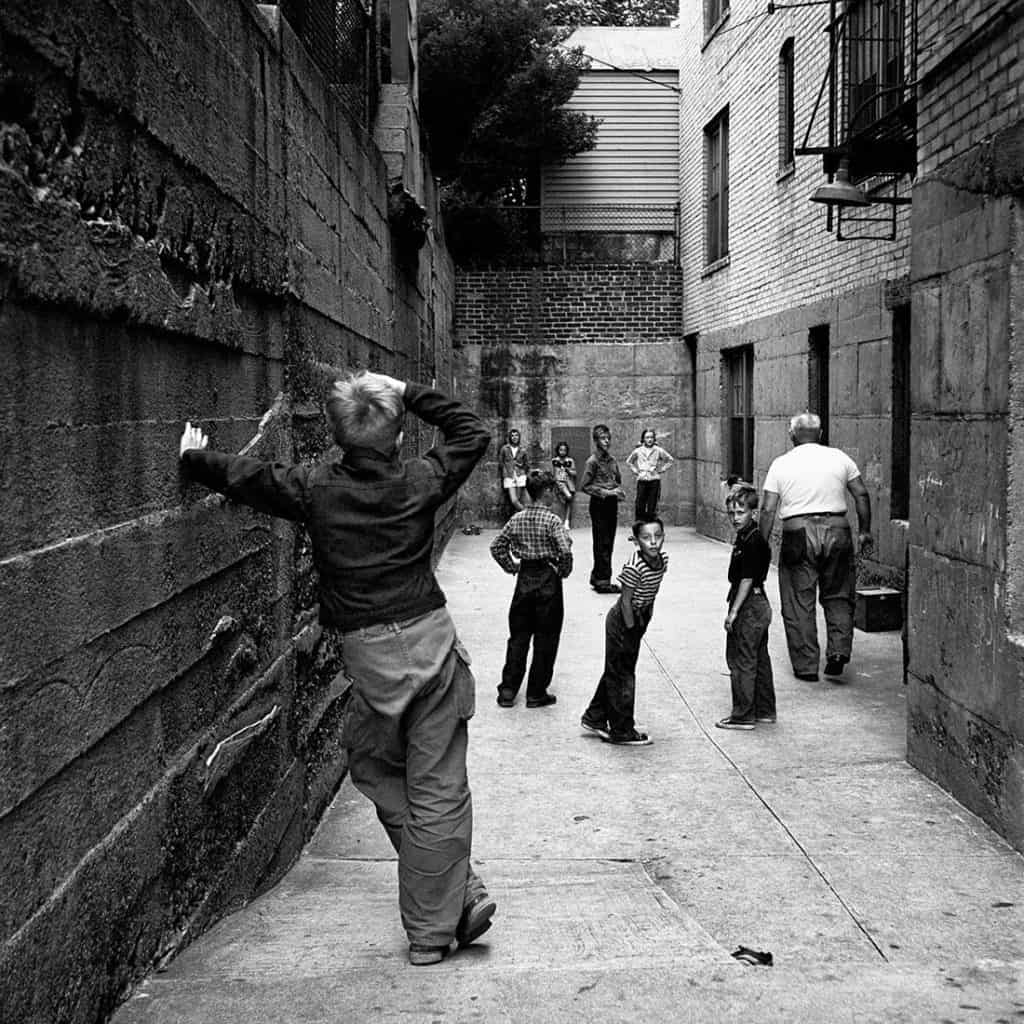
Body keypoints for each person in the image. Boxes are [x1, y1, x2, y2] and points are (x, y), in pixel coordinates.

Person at [178, 372, 496, 967]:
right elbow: (470, 429)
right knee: (439, 791)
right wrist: (404, 387)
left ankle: (449, 895)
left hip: (370, 658)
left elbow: (252, 479)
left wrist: (195, 458)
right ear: (400, 437)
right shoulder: (420, 479)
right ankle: (440, 918)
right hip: (431, 648)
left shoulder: (316, 487)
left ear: (337, 437)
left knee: (375, 767)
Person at [758, 412, 874, 682]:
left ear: (792, 435)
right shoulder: (840, 458)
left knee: (799, 601)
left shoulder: (781, 464)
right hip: (837, 530)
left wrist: (761, 546)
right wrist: (865, 531)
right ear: (820, 434)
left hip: (798, 532)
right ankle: (838, 652)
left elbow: (767, 509)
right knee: (839, 594)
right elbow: (861, 493)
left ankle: (806, 666)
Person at [580, 517, 668, 746]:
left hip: (639, 618)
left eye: (657, 537)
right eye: (646, 538)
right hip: (622, 622)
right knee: (623, 674)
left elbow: (651, 592)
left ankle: (595, 716)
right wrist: (630, 631)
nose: (653, 543)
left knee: (616, 669)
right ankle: (621, 730)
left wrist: (643, 620)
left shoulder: (663, 560)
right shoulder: (633, 567)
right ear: (636, 541)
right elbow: (626, 601)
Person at [490, 470, 573, 709]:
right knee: (546, 638)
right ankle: (536, 692)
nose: (554, 496)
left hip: (525, 578)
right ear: (546, 492)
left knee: (518, 637)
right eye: (552, 492)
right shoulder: (553, 521)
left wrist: (511, 566)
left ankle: (507, 691)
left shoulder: (517, 519)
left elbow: (497, 546)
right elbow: (565, 552)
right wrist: (563, 571)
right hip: (548, 578)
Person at [717, 482, 776, 730]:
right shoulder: (748, 536)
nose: (735, 517)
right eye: (731, 512)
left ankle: (743, 715)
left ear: (753, 512)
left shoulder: (752, 540)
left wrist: (733, 612)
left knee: (742, 660)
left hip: (750, 604)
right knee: (759, 658)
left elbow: (747, 579)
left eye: (740, 512)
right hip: (757, 603)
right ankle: (764, 710)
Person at [580, 424, 626, 593]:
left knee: (609, 541)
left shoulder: (612, 460)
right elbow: (584, 486)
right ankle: (602, 581)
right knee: (601, 542)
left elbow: (617, 479)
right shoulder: (592, 462)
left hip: (611, 503)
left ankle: (597, 575)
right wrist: (605, 492)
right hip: (599, 504)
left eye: (608, 438)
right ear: (596, 441)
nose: (606, 441)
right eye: (602, 438)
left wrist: (617, 491)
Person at [626, 428, 674, 521]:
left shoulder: (658, 450)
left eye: (651, 437)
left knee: (652, 505)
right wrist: (635, 470)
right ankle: (639, 527)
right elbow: (629, 462)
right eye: (647, 437)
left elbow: (670, 460)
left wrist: (662, 469)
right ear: (643, 439)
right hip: (642, 479)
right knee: (640, 504)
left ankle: (650, 526)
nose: (649, 440)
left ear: (654, 439)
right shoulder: (638, 451)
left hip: (654, 480)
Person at [498, 428, 530, 514]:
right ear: (510, 437)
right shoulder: (505, 448)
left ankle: (516, 522)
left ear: (519, 437)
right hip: (509, 475)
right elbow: (501, 463)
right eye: (512, 436)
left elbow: (527, 464)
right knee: (514, 500)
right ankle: (527, 514)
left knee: (518, 500)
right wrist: (505, 472)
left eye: (516, 435)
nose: (514, 437)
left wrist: (521, 467)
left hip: (520, 475)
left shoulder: (523, 449)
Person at [550, 440, 577, 528]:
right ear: (558, 450)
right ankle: (558, 522)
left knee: (568, 501)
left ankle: (567, 521)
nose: (562, 452)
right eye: (561, 450)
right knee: (559, 502)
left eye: (564, 450)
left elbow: (574, 473)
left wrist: (568, 470)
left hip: (569, 484)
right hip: (558, 483)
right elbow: (552, 473)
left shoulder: (570, 460)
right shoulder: (554, 460)